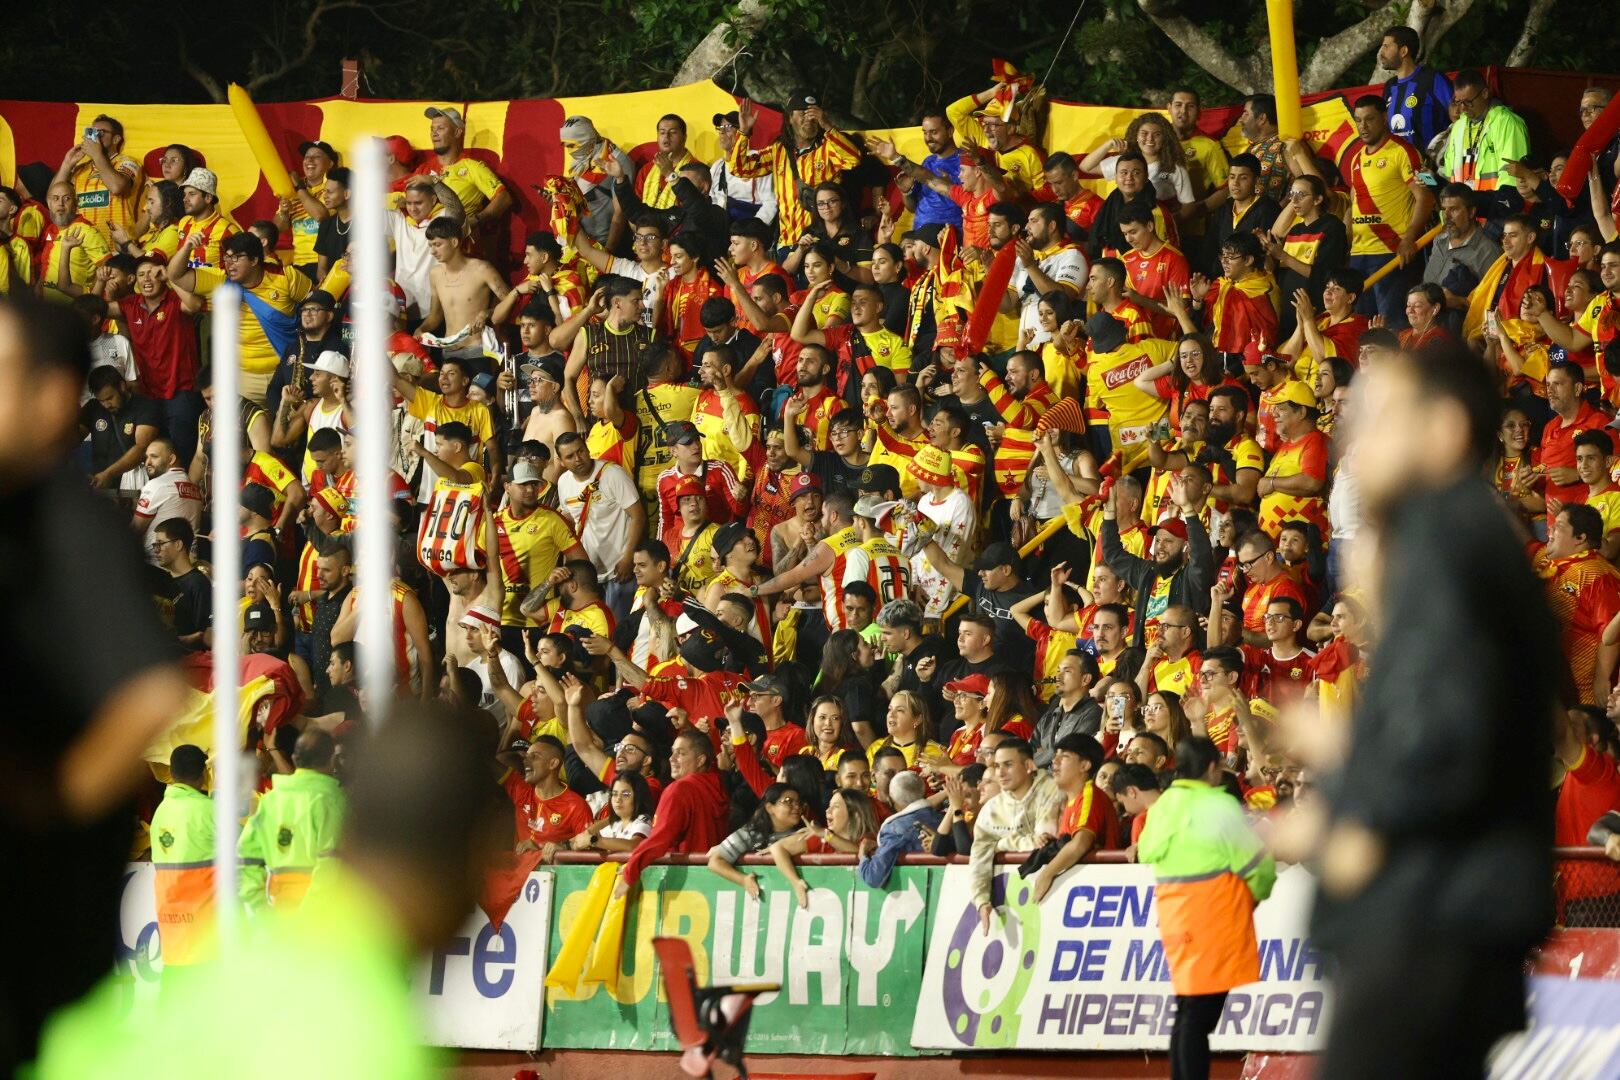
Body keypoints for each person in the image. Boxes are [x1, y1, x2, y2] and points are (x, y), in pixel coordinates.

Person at [1311, 343, 1560, 1079]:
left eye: (1379, 418)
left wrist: (1348, 801)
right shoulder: (1461, 541)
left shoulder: (1445, 543)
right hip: (1442, 924)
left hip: (1426, 927)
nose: (1355, 441)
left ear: (1444, 430)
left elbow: (1445, 746)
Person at [37, 700, 513, 1080]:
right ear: (471, 857)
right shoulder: (366, 1038)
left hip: (219, 928)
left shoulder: (236, 968)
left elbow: (243, 857)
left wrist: (253, 911)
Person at [1138, 736, 1276, 1080]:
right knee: (1198, 1018)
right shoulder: (1219, 807)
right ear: (1213, 768)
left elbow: (1146, 851)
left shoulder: (1164, 806)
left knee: (1187, 1011)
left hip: (1175, 919)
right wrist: (1254, 897)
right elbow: (1258, 866)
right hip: (1214, 920)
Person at [167, 231, 311, 405]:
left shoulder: (286, 277)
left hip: (288, 371)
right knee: (249, 429)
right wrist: (187, 247)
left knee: (287, 427)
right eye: (227, 258)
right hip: (245, 378)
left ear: (254, 260)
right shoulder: (220, 282)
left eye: (236, 258)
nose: (229, 264)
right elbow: (176, 275)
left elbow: (315, 305)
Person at [1341, 96, 1435, 327]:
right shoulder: (1355, 159)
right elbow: (1354, 203)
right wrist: (1346, 244)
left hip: (1392, 254)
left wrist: (1409, 239)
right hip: (1358, 256)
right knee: (1360, 327)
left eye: (1369, 119)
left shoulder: (1405, 151)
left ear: (1384, 117)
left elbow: (1427, 196)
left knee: (1392, 328)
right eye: (1358, 120)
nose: (1363, 126)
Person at [726, 93, 861, 248]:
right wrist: (743, 133)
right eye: (803, 113)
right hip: (788, 241)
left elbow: (854, 159)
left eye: (813, 113)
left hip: (821, 242)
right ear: (790, 118)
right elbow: (740, 169)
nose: (809, 118)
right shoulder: (778, 150)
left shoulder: (828, 147)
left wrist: (828, 126)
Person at [237, 729, 346, 914]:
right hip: (324, 923)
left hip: (278, 914)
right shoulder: (335, 802)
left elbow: (245, 858)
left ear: (295, 759)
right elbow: (332, 867)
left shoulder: (270, 801)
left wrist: (261, 909)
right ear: (332, 760)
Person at [615, 729, 732, 898]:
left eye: (680, 753)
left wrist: (630, 873)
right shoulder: (717, 787)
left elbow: (660, 839)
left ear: (700, 760)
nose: (672, 758)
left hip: (684, 886)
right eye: (672, 752)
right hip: (714, 883)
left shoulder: (679, 789)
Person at [971, 737, 1064, 930]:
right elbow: (979, 853)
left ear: (1029, 765)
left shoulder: (1052, 790)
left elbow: (1044, 841)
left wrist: (1000, 844)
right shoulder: (992, 808)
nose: (1001, 773)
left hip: (1058, 893)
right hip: (1020, 907)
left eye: (1008, 765)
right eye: (997, 766)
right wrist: (981, 900)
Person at [1442, 70, 1530, 193]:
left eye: (1468, 102)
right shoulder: (1458, 127)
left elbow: (1511, 179)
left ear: (1485, 93)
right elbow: (1449, 175)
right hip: (1464, 209)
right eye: (1458, 102)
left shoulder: (1506, 122)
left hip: (1495, 209)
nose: (1462, 108)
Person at [857, 770, 940, 888]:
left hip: (915, 891)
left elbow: (873, 877)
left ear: (892, 799)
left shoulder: (894, 829)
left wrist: (863, 857)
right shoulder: (943, 819)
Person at [1378, 25, 1454, 150]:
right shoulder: (1389, 87)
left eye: (1386, 46)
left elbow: (1459, 115)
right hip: (1402, 166)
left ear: (1403, 51)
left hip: (1433, 166)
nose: (1382, 52)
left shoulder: (1433, 79)